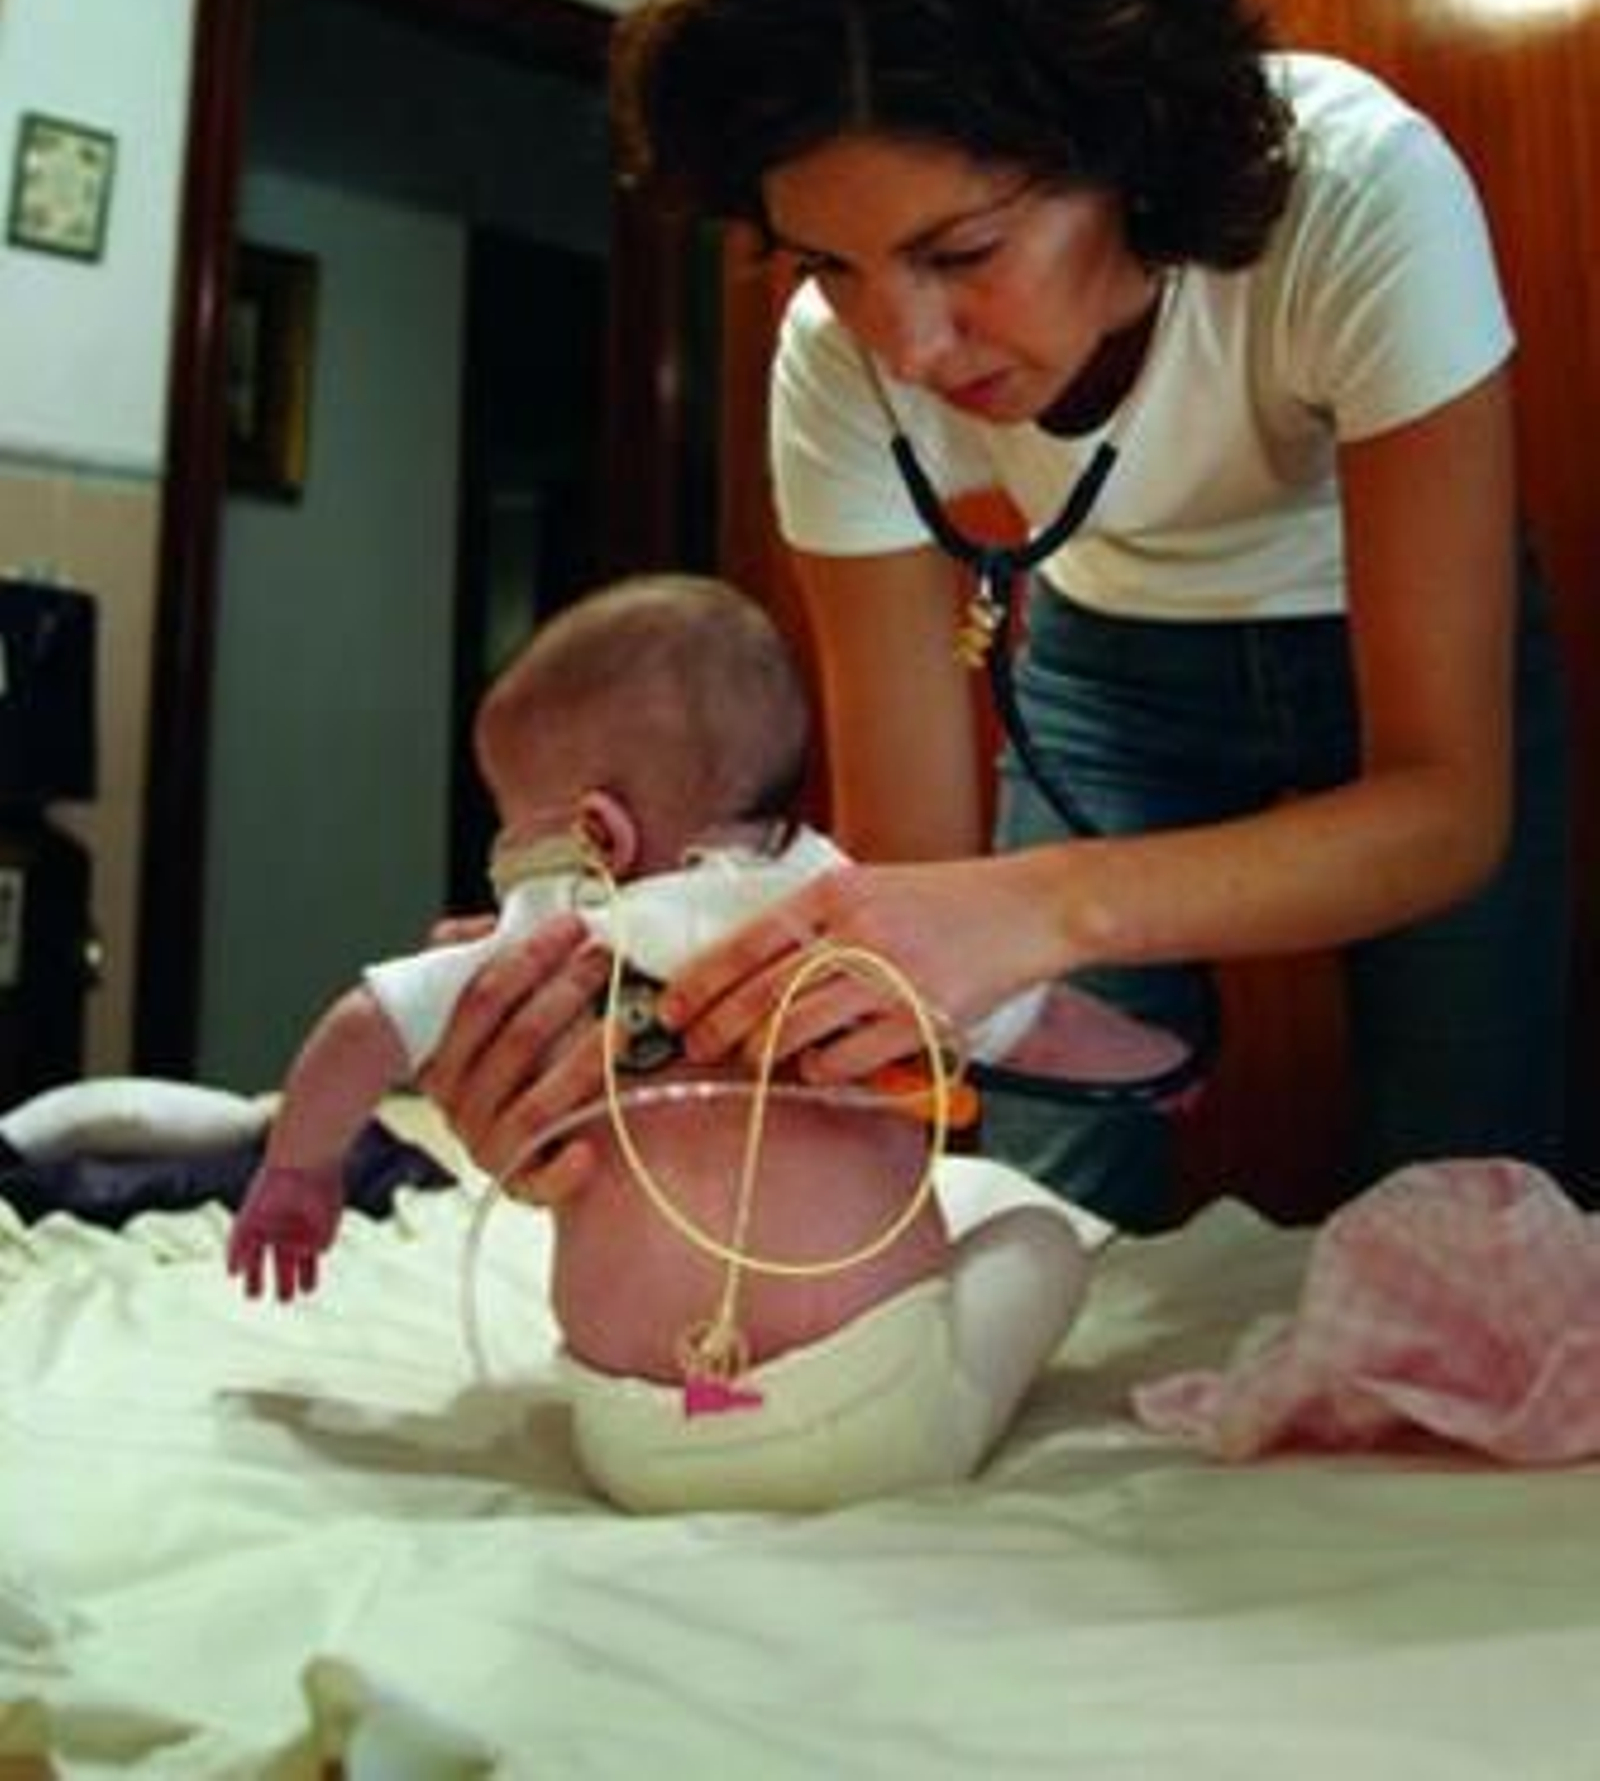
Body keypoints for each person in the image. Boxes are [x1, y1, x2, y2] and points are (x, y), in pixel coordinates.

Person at [429, 0, 1570, 1233]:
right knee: (1020, 1195)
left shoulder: (1358, 196)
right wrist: (643, 1033)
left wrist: (1045, 906)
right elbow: (910, 901)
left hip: (1399, 663)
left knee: (1474, 1188)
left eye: (961, 252)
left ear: (1136, 144)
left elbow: (1446, 810)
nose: (901, 340)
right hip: (1108, 666)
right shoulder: (832, 368)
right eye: (832, 263)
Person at [228, 572, 1095, 1511]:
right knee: (1039, 1232)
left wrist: (298, 1170)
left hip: (633, 1436)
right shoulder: (852, 916)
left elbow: (365, 1025)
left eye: (510, 822)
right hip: (872, 1418)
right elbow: (1035, 1025)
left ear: (596, 830)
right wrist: (1148, 1062)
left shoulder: (544, 938)